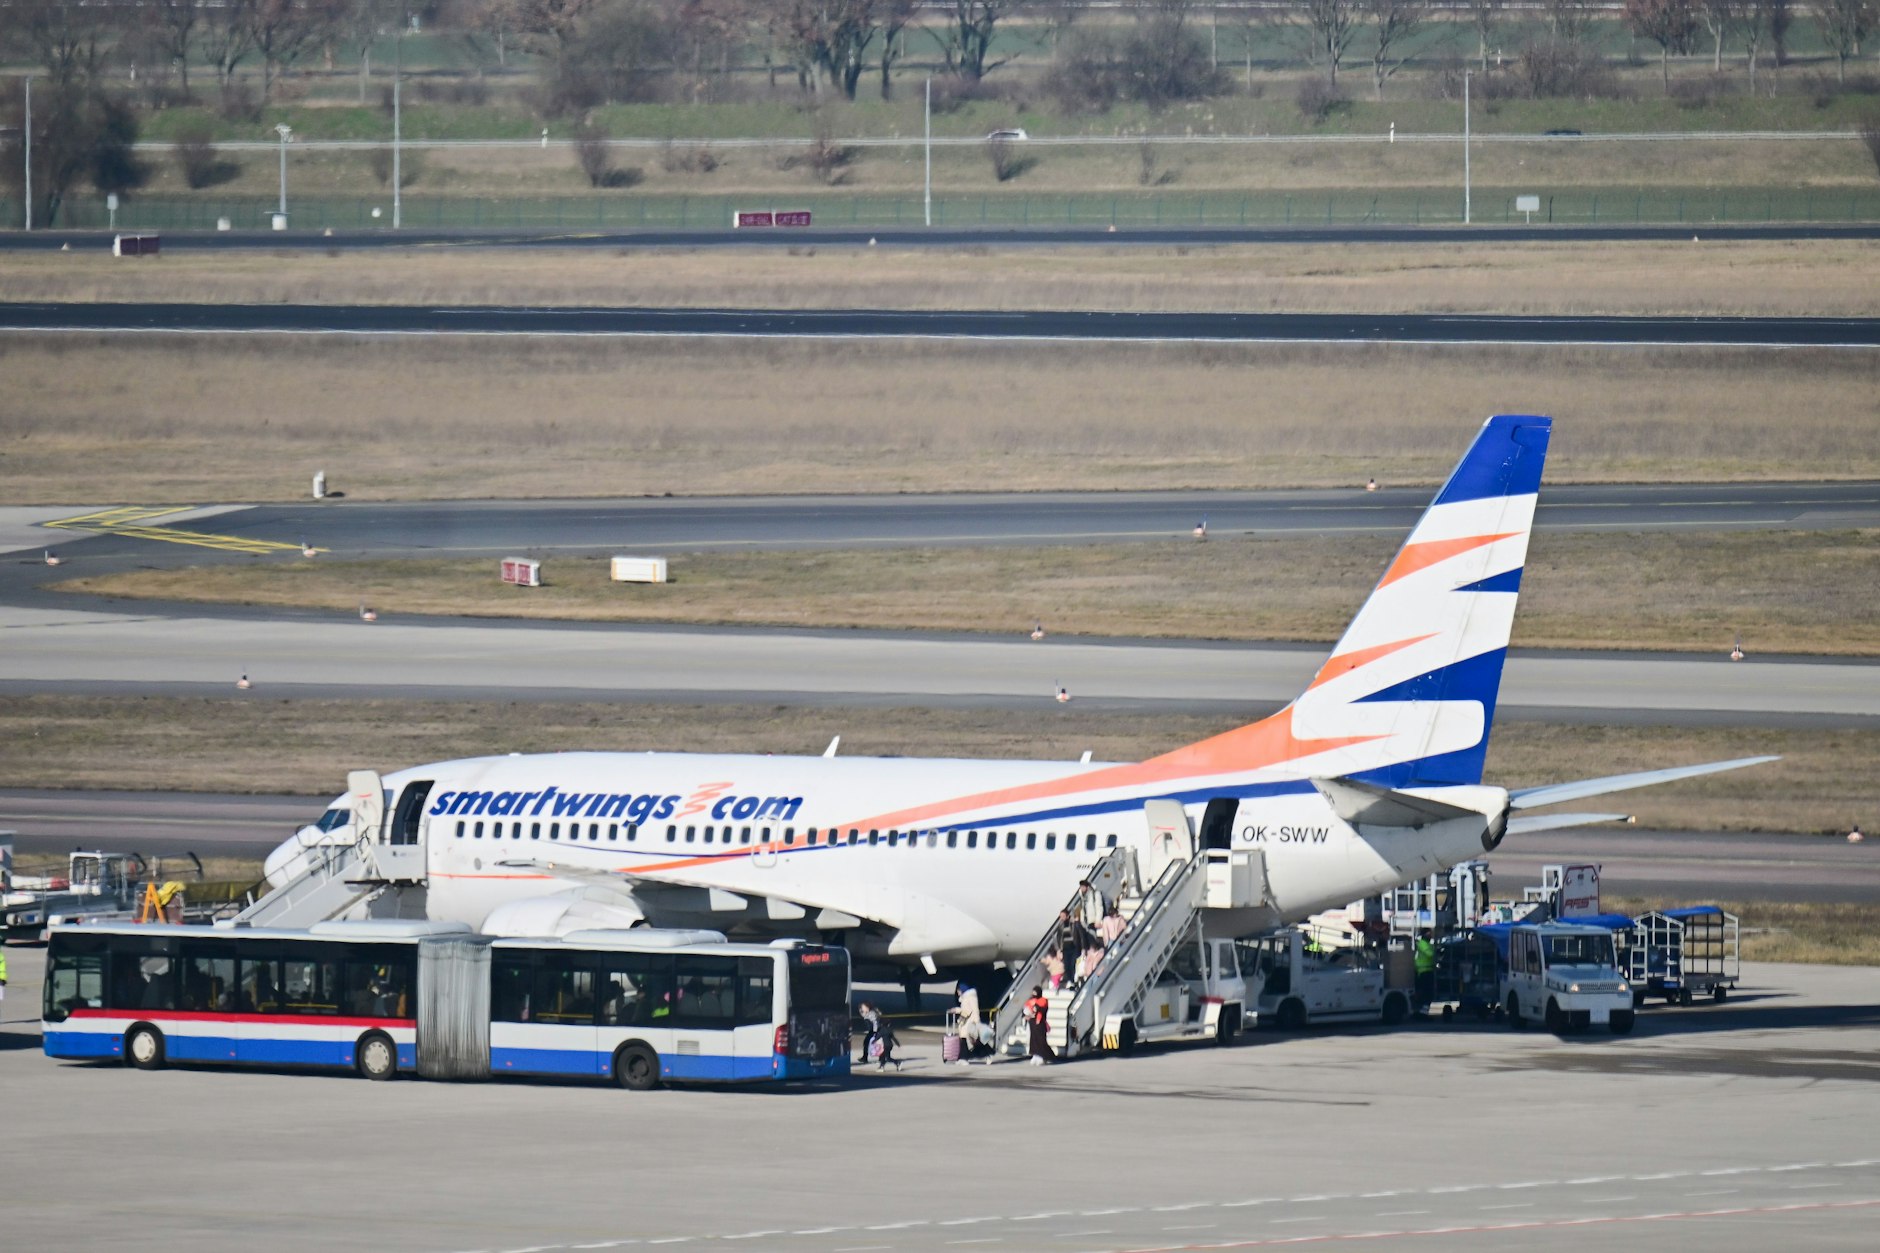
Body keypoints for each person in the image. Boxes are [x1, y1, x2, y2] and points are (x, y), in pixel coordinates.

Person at [1024, 985, 1054, 1066]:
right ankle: (1035, 1054)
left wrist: (1035, 1008)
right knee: (1033, 1039)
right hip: (1032, 1022)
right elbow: (1026, 1009)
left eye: (1035, 992)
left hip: (1040, 1023)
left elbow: (1041, 1008)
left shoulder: (1043, 1000)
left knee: (1041, 1040)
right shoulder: (1030, 1000)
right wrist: (1026, 1014)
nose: (1034, 994)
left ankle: (1043, 1056)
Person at [1414, 930, 1437, 1009]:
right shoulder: (1422, 943)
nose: (1431, 936)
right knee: (1425, 994)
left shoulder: (1427, 944)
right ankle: (1422, 1013)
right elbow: (1430, 954)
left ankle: (1423, 1012)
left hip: (1428, 970)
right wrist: (1435, 950)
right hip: (1423, 971)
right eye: (1429, 934)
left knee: (1427, 994)